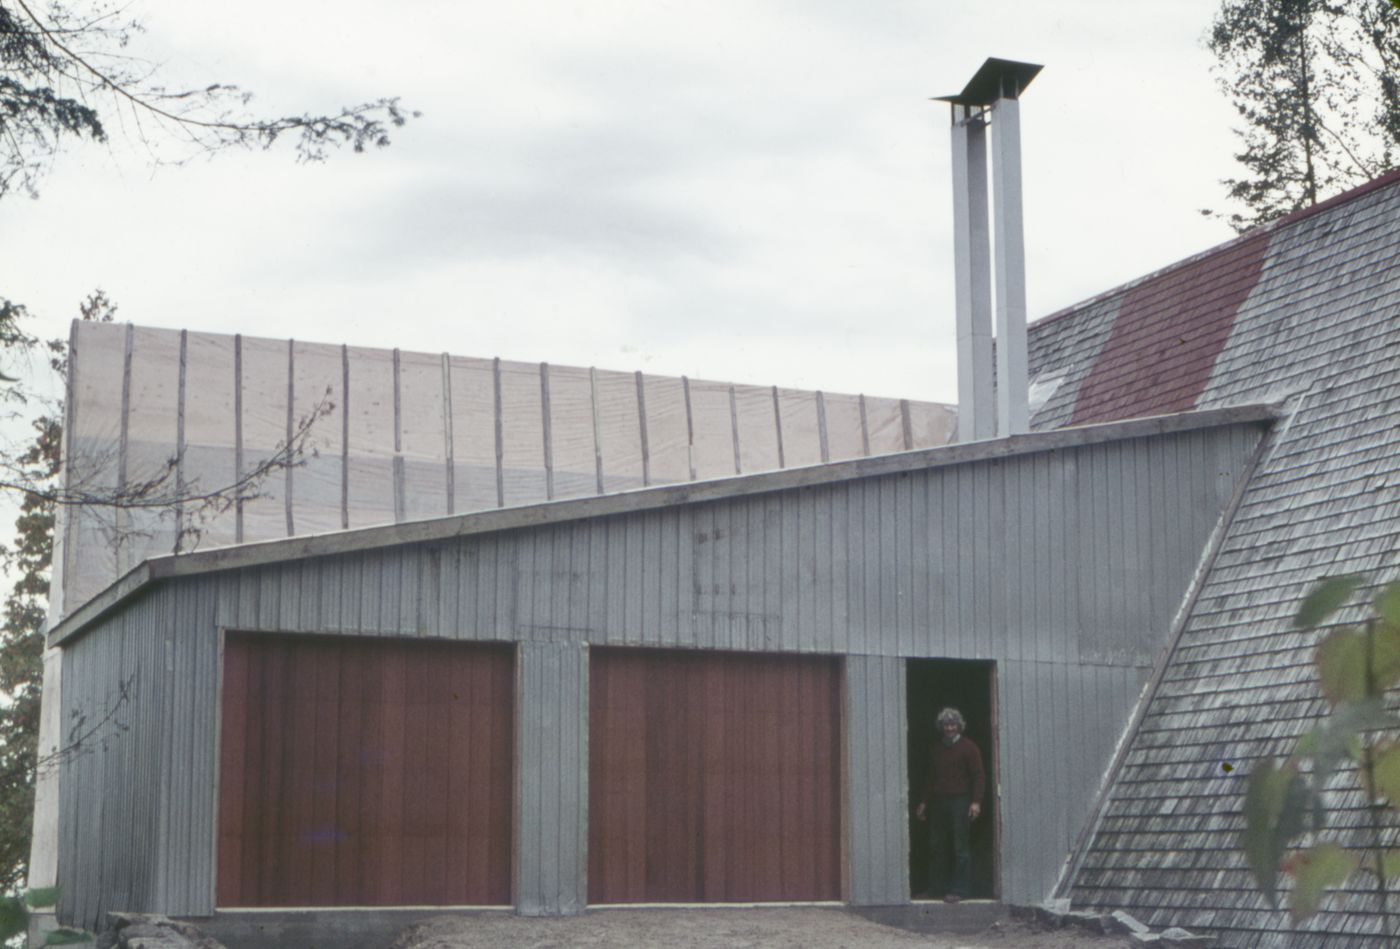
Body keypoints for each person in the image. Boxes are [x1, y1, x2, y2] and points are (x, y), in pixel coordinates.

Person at [914, 707, 985, 903]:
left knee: (960, 847)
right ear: (941, 727)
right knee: (937, 845)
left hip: (960, 801)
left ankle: (959, 890)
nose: (950, 728)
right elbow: (930, 778)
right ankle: (936, 888)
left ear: (959, 726)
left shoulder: (969, 748)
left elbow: (978, 776)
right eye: (946, 725)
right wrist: (923, 802)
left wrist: (976, 802)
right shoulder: (936, 749)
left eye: (953, 724)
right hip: (939, 802)